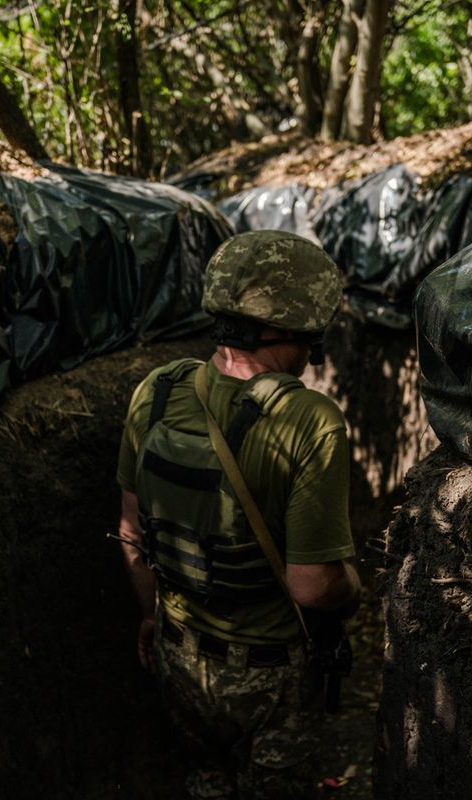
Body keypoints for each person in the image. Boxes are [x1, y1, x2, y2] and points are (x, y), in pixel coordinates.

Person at [114, 230, 361, 799]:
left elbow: (131, 532)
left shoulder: (156, 391)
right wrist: (352, 590)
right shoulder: (310, 420)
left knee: (205, 782)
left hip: (178, 659)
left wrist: (151, 616)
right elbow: (313, 586)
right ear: (298, 327)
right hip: (270, 675)